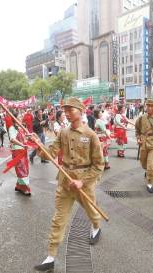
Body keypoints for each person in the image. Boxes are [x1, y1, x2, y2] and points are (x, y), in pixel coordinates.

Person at [32, 97, 104, 272]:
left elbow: (99, 165)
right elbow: (49, 154)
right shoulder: (63, 133)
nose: (67, 113)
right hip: (65, 181)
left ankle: (96, 227)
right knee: (58, 219)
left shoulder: (91, 135)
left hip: (83, 183)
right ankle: (51, 256)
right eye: (65, 110)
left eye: (70, 110)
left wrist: (83, 181)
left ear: (81, 111)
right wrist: (38, 144)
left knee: (91, 210)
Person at [7, 112, 32, 195]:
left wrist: (29, 138)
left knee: (24, 169)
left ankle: (19, 186)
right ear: (15, 119)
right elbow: (12, 139)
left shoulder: (21, 128)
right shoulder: (12, 128)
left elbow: (24, 138)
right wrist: (22, 144)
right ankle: (25, 188)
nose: (21, 117)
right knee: (22, 170)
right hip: (17, 152)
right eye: (19, 116)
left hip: (23, 151)